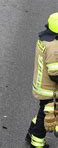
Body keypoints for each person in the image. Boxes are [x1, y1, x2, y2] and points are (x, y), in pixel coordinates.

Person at [26, 13, 58, 148]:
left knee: (43, 112)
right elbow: (54, 74)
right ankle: (37, 144)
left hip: (41, 85)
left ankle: (30, 134)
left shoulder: (46, 40)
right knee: (46, 116)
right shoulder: (54, 48)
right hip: (48, 89)